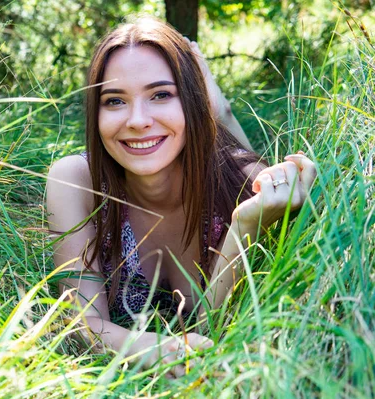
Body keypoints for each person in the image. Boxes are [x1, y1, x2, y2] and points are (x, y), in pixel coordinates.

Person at [46, 16, 316, 378]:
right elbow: (82, 322)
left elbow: (216, 333)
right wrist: (154, 348)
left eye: (161, 94)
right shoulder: (76, 180)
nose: (138, 120)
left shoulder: (248, 185)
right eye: (114, 101)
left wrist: (244, 227)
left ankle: (218, 111)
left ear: (189, 100)